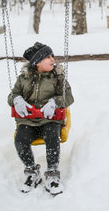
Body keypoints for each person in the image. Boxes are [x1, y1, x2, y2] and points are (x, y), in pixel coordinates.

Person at [8, 42, 74, 194]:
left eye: (52, 56)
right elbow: (12, 95)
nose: (52, 60)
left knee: (52, 137)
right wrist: (16, 100)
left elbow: (68, 97)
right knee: (20, 139)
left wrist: (55, 102)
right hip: (28, 120)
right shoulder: (23, 79)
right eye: (48, 57)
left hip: (50, 119)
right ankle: (31, 171)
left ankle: (52, 174)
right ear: (37, 62)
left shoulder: (58, 78)